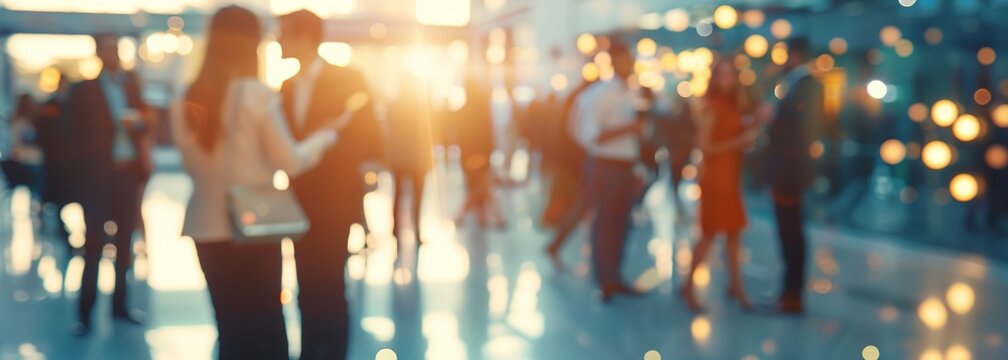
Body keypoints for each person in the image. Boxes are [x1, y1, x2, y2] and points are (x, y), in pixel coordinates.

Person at [172, 6, 337, 359]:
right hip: (254, 224)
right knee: (267, 326)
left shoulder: (187, 95)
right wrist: (324, 137)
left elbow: (188, 163)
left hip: (204, 224)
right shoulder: (257, 94)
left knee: (229, 326)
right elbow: (290, 161)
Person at [277, 9, 384, 359]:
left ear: (304, 38)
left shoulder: (348, 78)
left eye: (283, 33)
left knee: (332, 284)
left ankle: (335, 353)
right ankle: (310, 351)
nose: (277, 41)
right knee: (306, 282)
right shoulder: (286, 86)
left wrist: (330, 143)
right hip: (300, 201)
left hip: (336, 200)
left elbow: (369, 136)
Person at [65, 32, 154, 335]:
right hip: (97, 178)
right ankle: (85, 313)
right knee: (93, 245)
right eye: (107, 49)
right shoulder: (84, 90)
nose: (112, 54)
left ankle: (120, 306)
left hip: (126, 174)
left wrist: (139, 124)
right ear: (98, 54)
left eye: (115, 49)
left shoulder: (131, 86)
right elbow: (71, 134)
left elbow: (146, 122)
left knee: (124, 244)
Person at [680, 59, 766, 312]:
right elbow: (704, 147)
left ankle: (736, 286)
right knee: (709, 233)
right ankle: (689, 286)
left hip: (730, 175)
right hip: (716, 177)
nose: (727, 80)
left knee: (734, 232)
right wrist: (738, 142)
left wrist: (755, 124)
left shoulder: (733, 104)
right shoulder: (712, 106)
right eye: (723, 75)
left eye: (731, 75)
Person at [574, 43, 645, 302]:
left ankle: (615, 276)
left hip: (625, 165)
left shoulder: (631, 94)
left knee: (622, 222)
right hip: (605, 165)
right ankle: (604, 280)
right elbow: (590, 134)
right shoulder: (600, 95)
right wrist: (628, 128)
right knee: (605, 222)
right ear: (614, 61)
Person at [766, 38, 822, 314]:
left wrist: (772, 119)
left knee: (791, 232)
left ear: (795, 55)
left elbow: (800, 130)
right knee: (788, 231)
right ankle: (788, 291)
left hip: (789, 172)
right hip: (788, 170)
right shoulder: (796, 83)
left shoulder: (807, 85)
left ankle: (792, 294)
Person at [387, 74, 435, 261]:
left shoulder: (394, 105)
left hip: (400, 159)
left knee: (398, 196)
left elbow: (389, 133)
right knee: (416, 197)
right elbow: (426, 134)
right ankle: (416, 231)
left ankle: (395, 232)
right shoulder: (419, 106)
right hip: (416, 159)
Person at [455, 74, 504, 228]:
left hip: (469, 155)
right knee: (481, 188)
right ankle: (475, 216)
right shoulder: (482, 109)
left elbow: (461, 136)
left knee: (476, 188)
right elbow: (488, 132)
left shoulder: (464, 110)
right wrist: (489, 152)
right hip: (481, 155)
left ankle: (468, 216)